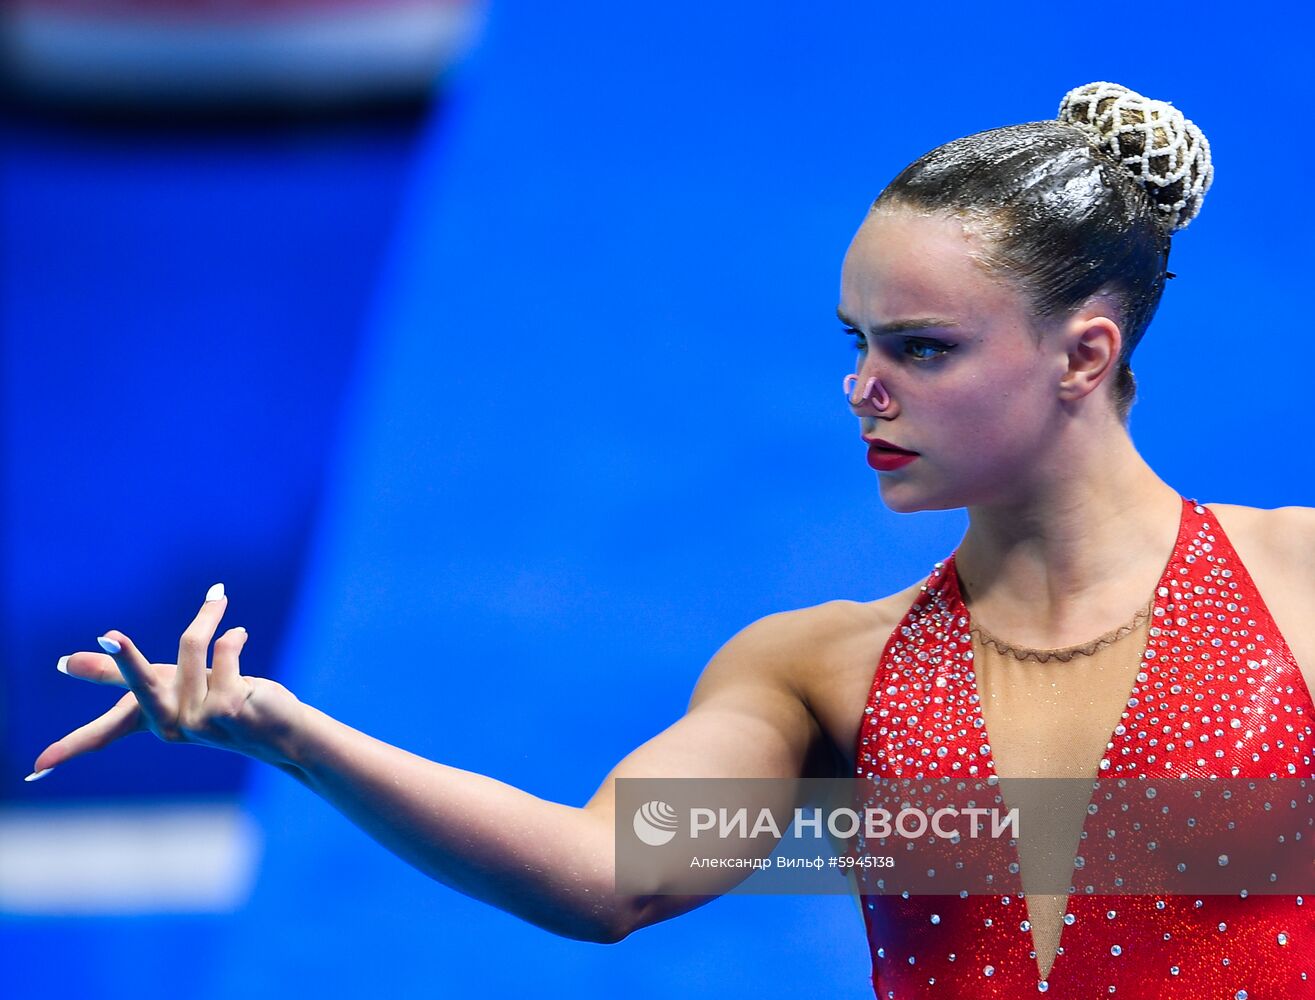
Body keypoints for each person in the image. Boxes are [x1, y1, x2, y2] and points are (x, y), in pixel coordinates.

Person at [28, 82, 1315, 997]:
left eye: (921, 349)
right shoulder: (825, 668)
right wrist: (289, 734)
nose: (863, 390)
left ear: (1083, 354)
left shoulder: (1293, 580)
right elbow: (606, 874)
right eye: (856, 344)